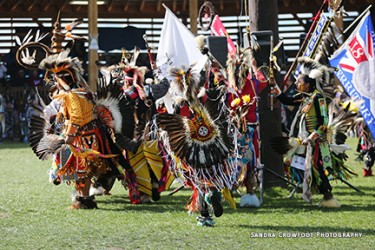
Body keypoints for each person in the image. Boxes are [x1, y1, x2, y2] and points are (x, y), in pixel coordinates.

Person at [269, 57, 341, 208]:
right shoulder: (304, 97)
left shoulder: (319, 98)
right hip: (304, 140)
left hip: (315, 141)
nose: (296, 83)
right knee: (299, 165)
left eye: (299, 82)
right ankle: (313, 190)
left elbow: (324, 121)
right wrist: (274, 86)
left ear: (307, 85)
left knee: (316, 168)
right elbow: (287, 100)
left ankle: (328, 196)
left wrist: (312, 136)